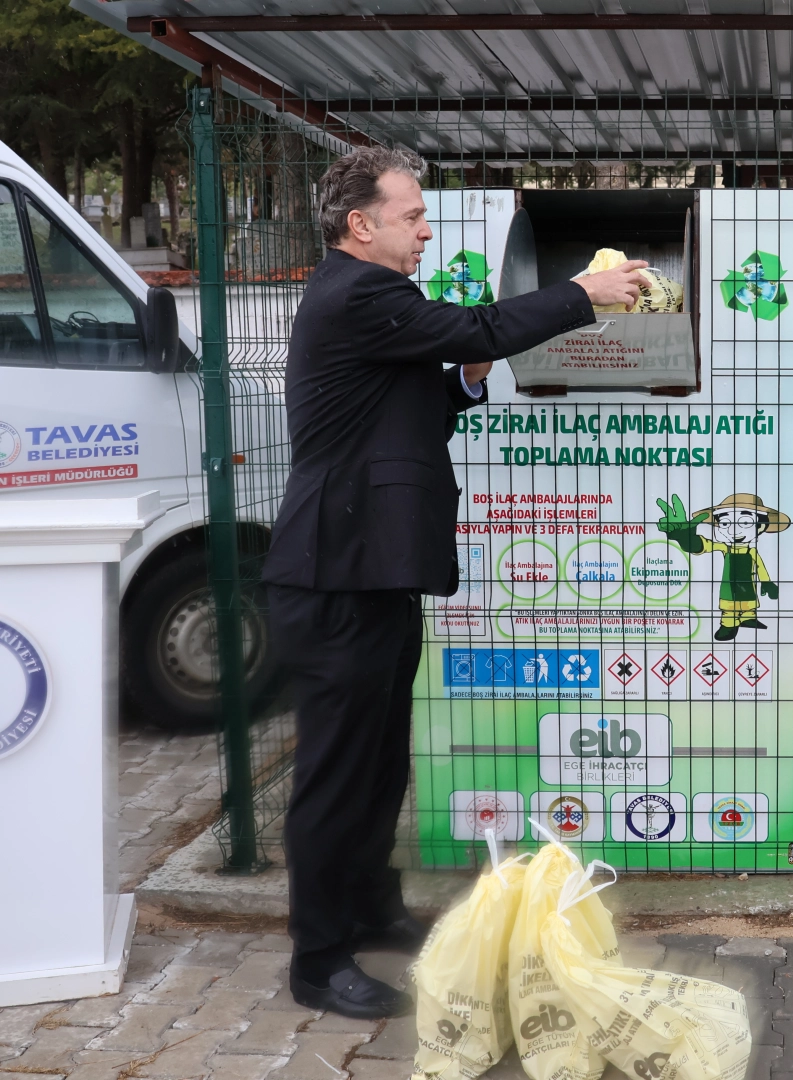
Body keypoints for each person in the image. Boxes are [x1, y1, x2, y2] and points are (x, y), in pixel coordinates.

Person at [261, 146, 649, 1019]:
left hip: (371, 574)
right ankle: (319, 960)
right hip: (334, 580)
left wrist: (466, 380)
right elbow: (474, 327)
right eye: (411, 214)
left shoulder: (369, 307)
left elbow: (416, 402)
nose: (425, 227)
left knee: (376, 765)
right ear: (360, 225)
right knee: (335, 775)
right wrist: (582, 295)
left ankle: (366, 908)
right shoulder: (358, 293)